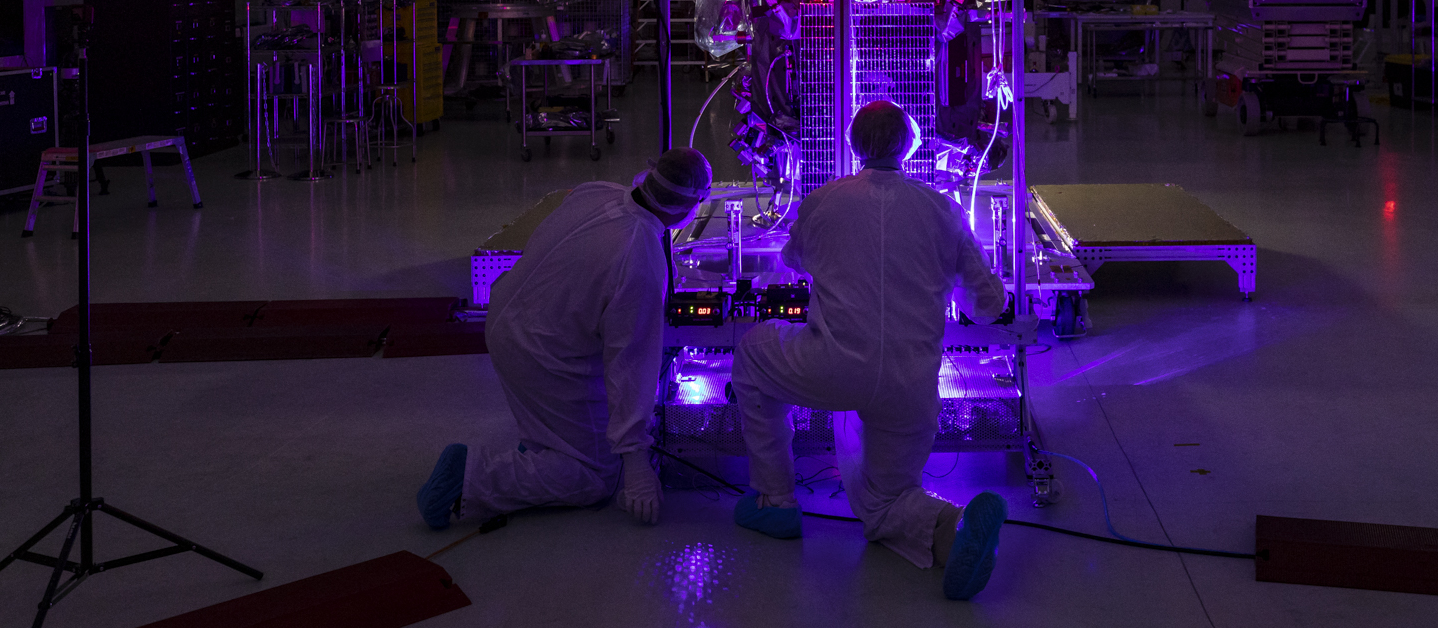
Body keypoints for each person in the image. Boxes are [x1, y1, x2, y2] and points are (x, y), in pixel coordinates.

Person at [730, 100, 1012, 600]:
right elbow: (988, 306)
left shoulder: (823, 200)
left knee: (753, 354)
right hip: (912, 381)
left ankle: (776, 502)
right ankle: (953, 525)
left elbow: (791, 260)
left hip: (831, 365)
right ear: (912, 144)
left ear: (851, 143)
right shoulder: (941, 207)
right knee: (884, 498)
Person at [416, 148, 714, 529]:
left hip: (508, 314)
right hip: (543, 352)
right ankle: (470, 477)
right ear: (689, 206)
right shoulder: (639, 256)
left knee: (580, 425)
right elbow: (630, 364)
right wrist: (636, 461)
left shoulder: (597, 191)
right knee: (595, 476)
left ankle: (545, 443)